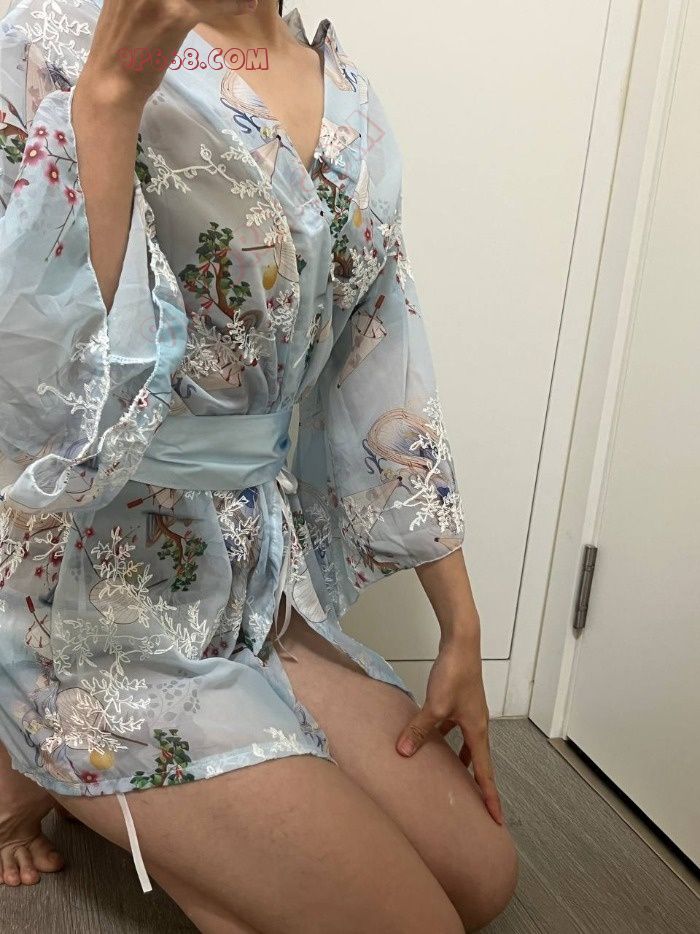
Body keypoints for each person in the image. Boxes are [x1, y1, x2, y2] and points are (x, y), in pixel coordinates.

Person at [0, 0, 518, 929]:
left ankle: (137, 804)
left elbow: (379, 358)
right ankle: (29, 751)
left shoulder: (345, 92)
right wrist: (108, 98)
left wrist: (461, 625)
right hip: (87, 602)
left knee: (482, 878)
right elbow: (33, 396)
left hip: (250, 587)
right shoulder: (49, 39)